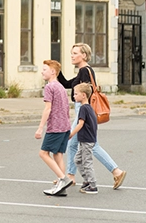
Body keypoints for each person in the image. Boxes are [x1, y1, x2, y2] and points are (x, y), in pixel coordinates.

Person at [58, 42, 128, 189]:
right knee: (76, 144)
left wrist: (83, 112)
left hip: (83, 110)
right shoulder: (83, 71)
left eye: (75, 53)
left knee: (90, 144)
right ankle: (70, 176)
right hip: (83, 109)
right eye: (72, 53)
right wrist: (56, 70)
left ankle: (116, 171)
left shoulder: (85, 71)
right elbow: (66, 83)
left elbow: (85, 93)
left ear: (84, 55)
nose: (72, 55)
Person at [36, 60, 73, 196]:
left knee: (43, 153)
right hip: (65, 126)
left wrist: (40, 128)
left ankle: (63, 179)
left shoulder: (49, 87)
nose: (42, 72)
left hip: (56, 127)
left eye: (45, 69)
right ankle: (61, 186)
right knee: (58, 154)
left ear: (53, 72)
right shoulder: (61, 87)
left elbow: (48, 109)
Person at [69, 83, 98, 194]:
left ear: (84, 95)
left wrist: (71, 134)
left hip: (87, 140)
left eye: (76, 94)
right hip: (85, 139)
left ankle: (93, 184)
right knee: (77, 159)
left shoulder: (83, 109)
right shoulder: (88, 108)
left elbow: (80, 124)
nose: (74, 96)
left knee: (87, 162)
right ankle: (86, 180)